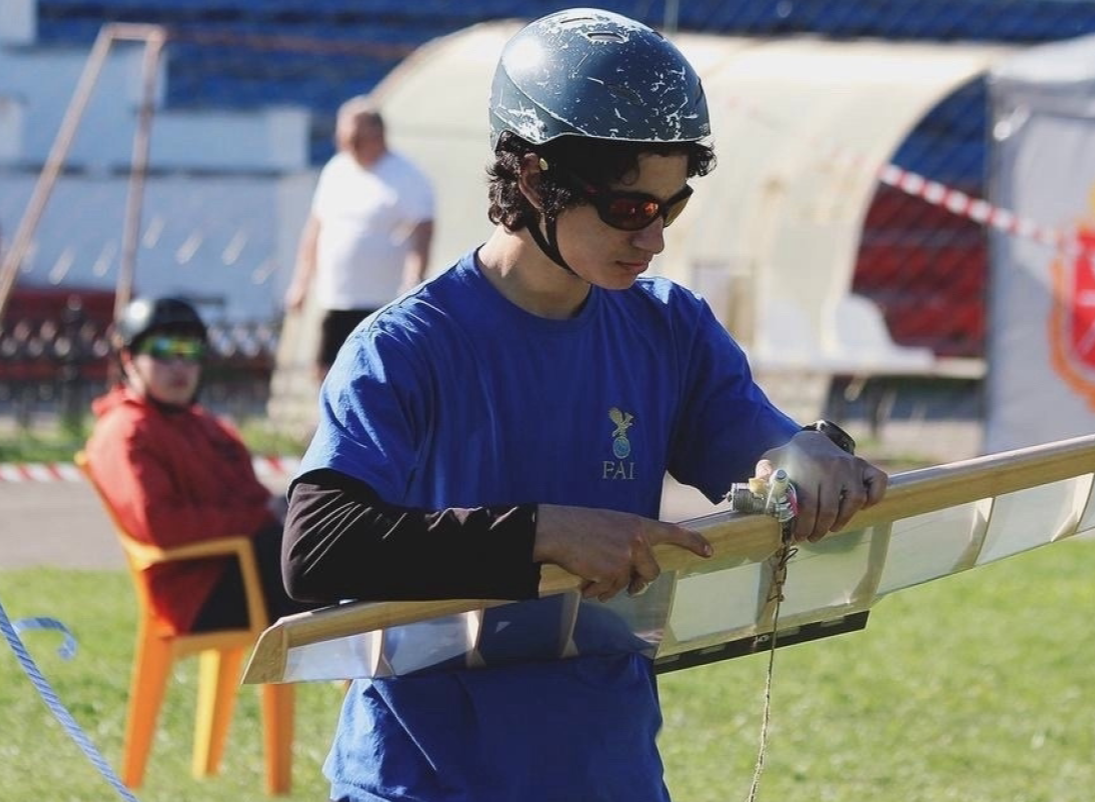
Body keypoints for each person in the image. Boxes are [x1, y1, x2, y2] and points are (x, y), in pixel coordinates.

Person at [281, 9, 889, 801]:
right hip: (422, 780)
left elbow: (760, 446)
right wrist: (543, 532)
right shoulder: (404, 347)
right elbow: (317, 547)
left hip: (609, 772)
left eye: (669, 208)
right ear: (535, 179)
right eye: (630, 208)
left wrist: (805, 456)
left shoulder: (670, 327)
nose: (654, 239)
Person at [86, 297, 319, 635]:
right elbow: (162, 527)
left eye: (190, 351)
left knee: (324, 527)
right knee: (313, 559)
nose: (179, 366)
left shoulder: (208, 426)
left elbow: (252, 498)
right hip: (194, 589)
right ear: (129, 359)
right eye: (163, 350)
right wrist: (261, 520)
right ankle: (362, 676)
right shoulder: (125, 432)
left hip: (242, 562)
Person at [285, 95, 436, 381]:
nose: (348, 143)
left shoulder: (406, 176)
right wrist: (301, 282)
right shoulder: (336, 170)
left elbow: (423, 231)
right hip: (337, 295)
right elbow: (316, 228)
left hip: (382, 297)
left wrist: (414, 276)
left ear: (377, 134)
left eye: (355, 137)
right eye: (344, 137)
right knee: (327, 368)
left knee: (377, 368)